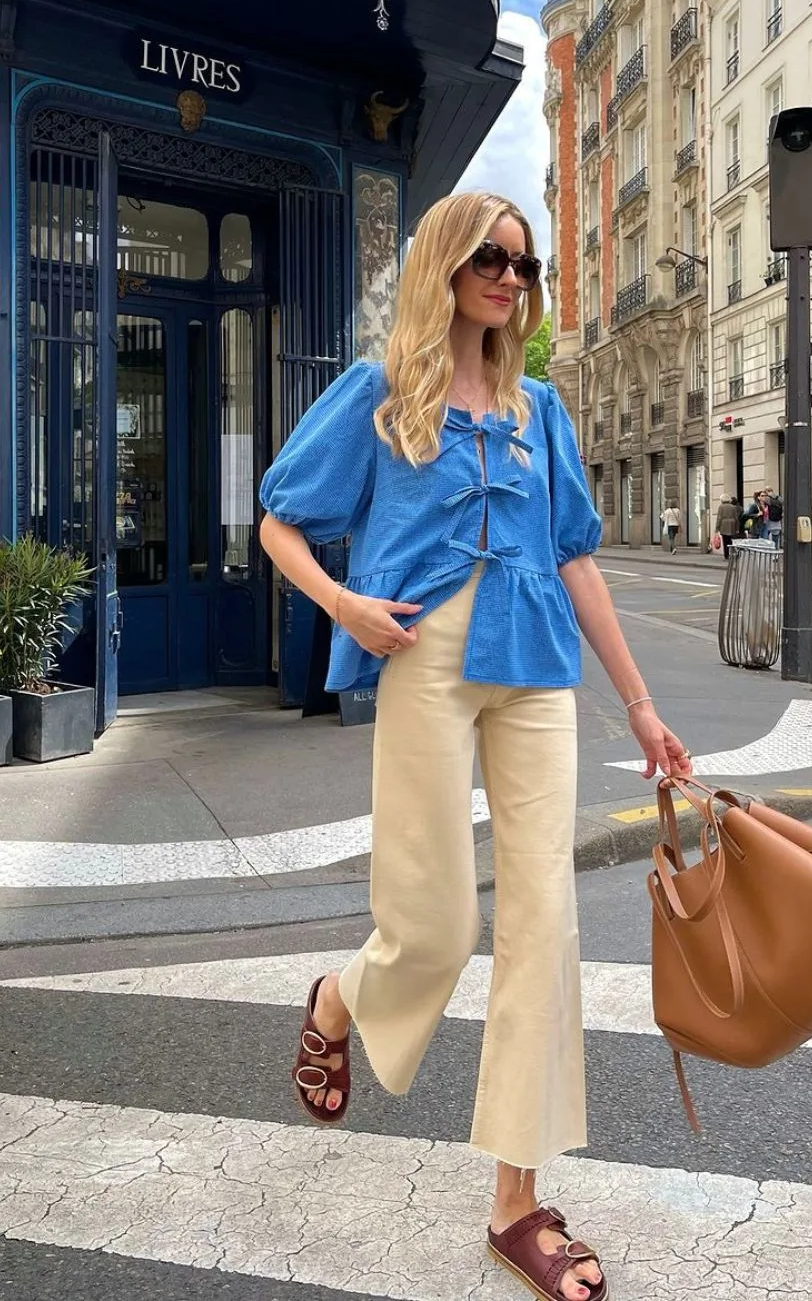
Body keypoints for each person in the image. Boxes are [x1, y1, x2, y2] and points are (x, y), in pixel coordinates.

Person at [258, 191, 693, 1301]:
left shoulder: (540, 408)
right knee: (435, 920)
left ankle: (516, 1202)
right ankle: (338, 1001)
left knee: (544, 928)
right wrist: (342, 606)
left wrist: (641, 707)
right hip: (422, 658)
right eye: (491, 259)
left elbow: (578, 557)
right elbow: (277, 520)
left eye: (524, 263)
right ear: (446, 265)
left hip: (537, 663)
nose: (510, 277)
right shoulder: (381, 394)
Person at [715, 493, 741, 559]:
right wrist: (737, 528)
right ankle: (732, 553)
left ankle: (726, 555)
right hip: (732, 524)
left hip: (724, 524)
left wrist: (717, 527)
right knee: (731, 540)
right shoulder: (733, 507)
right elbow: (736, 518)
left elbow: (719, 518)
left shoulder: (721, 507)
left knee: (725, 540)